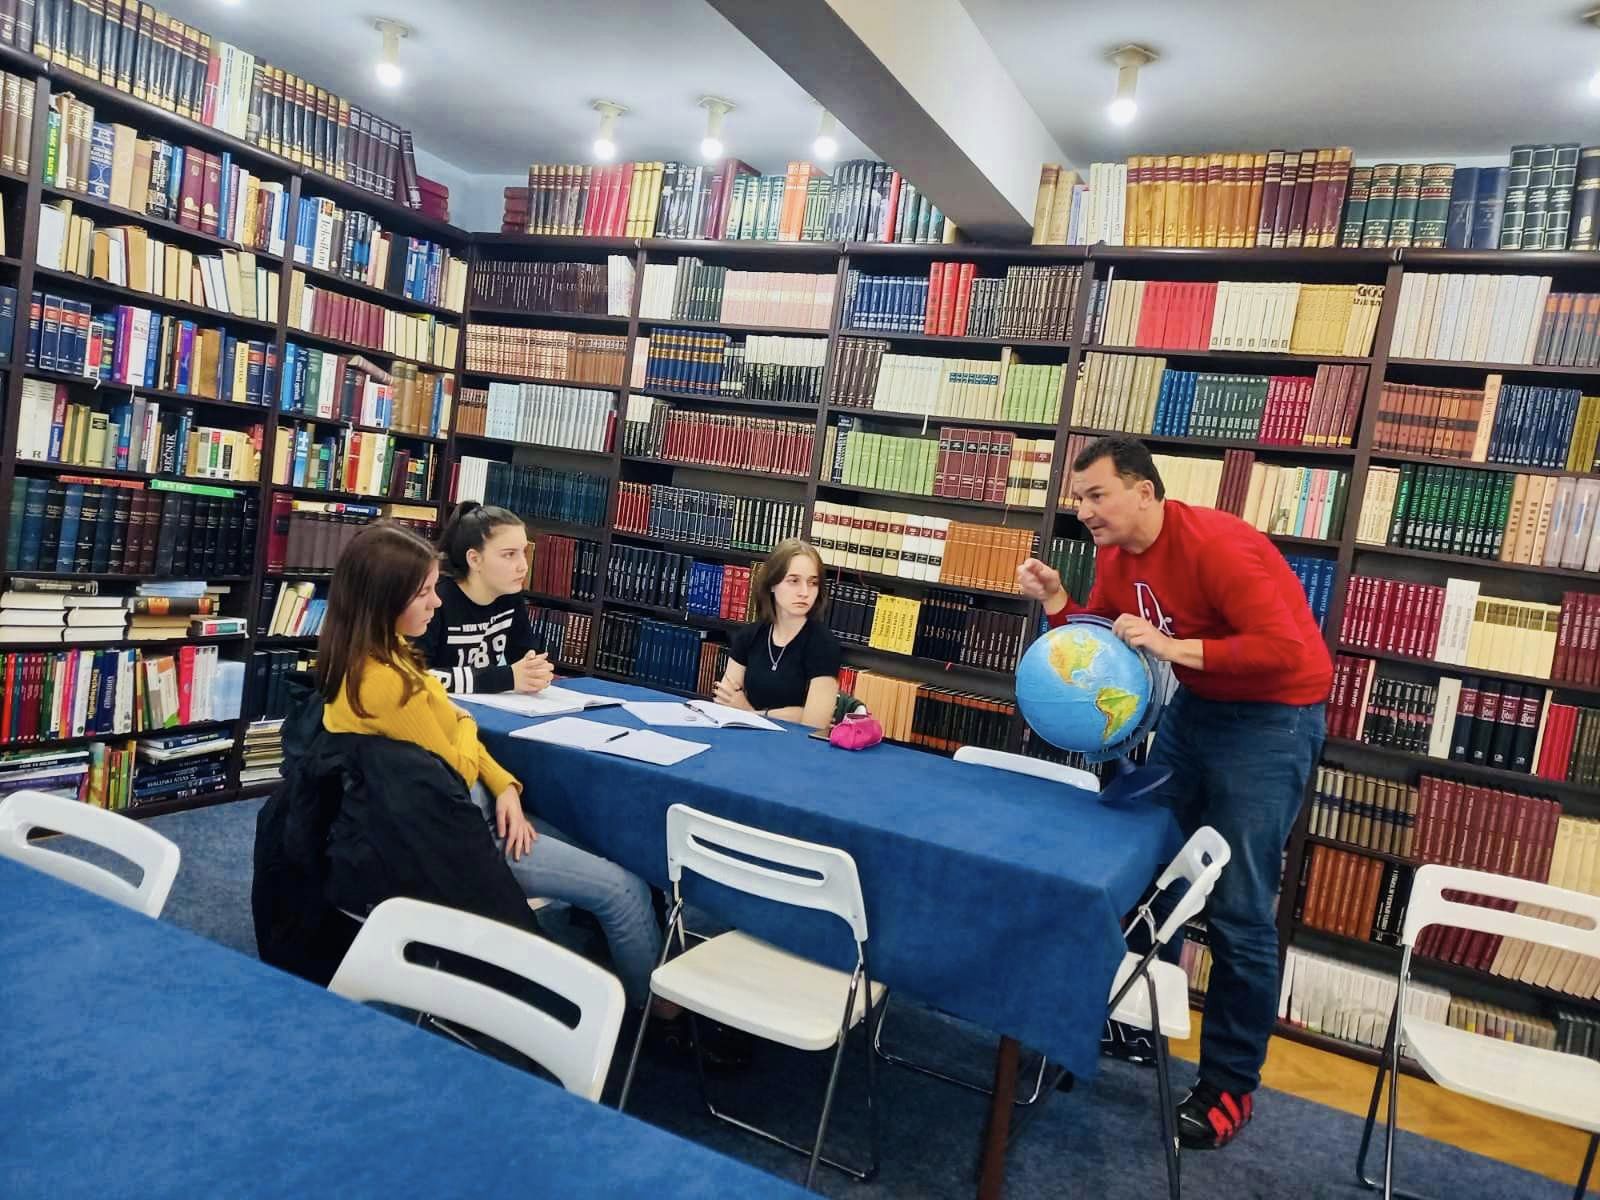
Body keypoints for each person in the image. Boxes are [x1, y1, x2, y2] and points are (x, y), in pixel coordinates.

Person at [1016, 435, 1330, 1151]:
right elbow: (1100, 643)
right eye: (1078, 498)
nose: (1083, 510)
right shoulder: (1115, 554)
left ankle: (1229, 1088)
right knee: (1144, 864)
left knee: (1240, 907)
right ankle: (1132, 1023)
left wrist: (1171, 647)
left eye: (1097, 495)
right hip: (1197, 709)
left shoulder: (1220, 546)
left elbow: (1288, 649)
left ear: (1144, 492)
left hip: (1274, 719)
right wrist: (1059, 601)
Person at [318, 521, 662, 1010]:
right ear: (385, 600)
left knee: (605, 843)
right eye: (424, 593)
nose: (436, 602)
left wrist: (504, 786)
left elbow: (455, 737)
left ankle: (611, 969)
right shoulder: (391, 683)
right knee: (625, 889)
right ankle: (653, 1019)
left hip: (451, 820)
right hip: (454, 840)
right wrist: (463, 723)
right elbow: (456, 771)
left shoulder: (381, 656)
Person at [416, 502, 555, 696]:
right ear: (474, 559)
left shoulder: (509, 595)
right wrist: (506, 678)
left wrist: (537, 672)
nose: (523, 566)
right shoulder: (434, 599)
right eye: (509, 554)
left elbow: (525, 659)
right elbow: (414, 677)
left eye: (523, 552)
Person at [714, 537, 841, 729]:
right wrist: (794, 713)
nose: (805, 592)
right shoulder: (749, 635)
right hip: (744, 736)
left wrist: (750, 713)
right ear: (772, 583)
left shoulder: (824, 644)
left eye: (813, 583)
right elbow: (725, 703)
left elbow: (814, 723)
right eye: (794, 581)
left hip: (795, 744)